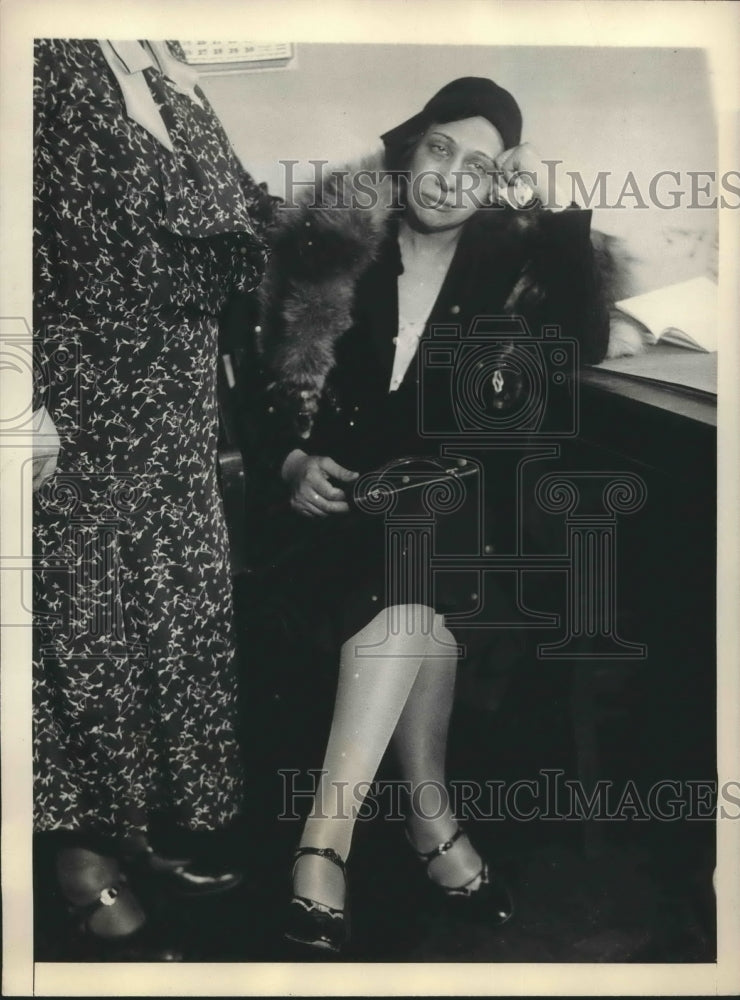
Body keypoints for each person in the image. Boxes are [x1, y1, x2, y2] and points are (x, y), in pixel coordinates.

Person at [255, 76, 611, 955]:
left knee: (423, 550)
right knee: (417, 584)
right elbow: (261, 379)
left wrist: (549, 204)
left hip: (451, 519)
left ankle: (322, 843)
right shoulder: (333, 240)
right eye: (441, 149)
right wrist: (291, 462)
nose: (452, 177)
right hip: (331, 518)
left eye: (480, 167)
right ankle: (430, 816)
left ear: (497, 185)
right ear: (411, 146)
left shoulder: (512, 263)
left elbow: (585, 338)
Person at [32, 39, 279, 960]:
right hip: (76, 400)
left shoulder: (165, 60)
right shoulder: (41, 52)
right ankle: (78, 860)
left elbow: (245, 216)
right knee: (84, 638)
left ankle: (140, 831)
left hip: (172, 405)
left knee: (167, 632)